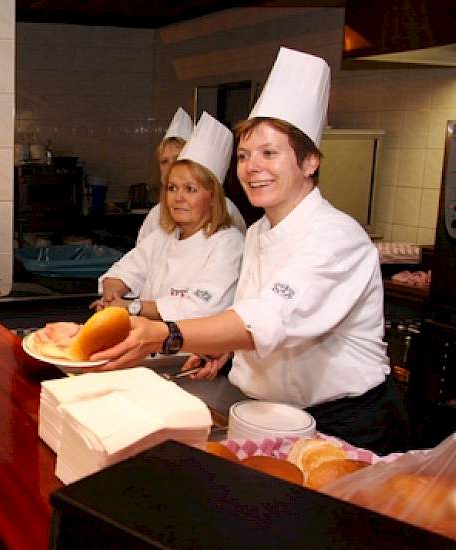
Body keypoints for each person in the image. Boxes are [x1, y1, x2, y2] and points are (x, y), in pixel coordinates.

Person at [95, 48, 409, 455]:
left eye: (269, 153)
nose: (252, 167)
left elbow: (269, 318)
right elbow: (252, 308)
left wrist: (167, 332)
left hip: (347, 422)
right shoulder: (260, 230)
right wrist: (225, 349)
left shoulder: (335, 235)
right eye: (244, 156)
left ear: (310, 161)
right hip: (272, 413)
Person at [94, 112, 244, 323]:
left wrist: (132, 307)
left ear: (212, 196)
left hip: (190, 351)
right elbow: (123, 272)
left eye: (190, 189)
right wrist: (112, 296)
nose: (178, 198)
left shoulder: (228, 244)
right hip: (149, 344)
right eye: (172, 188)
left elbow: (198, 308)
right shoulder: (164, 237)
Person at [134, 107, 247, 246]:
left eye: (178, 159)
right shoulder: (155, 215)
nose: (170, 167)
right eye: (164, 161)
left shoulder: (227, 212)